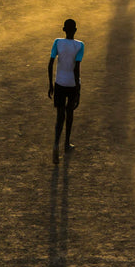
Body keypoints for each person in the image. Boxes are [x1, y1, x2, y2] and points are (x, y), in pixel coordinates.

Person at [47, 18, 84, 164]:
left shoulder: (57, 42)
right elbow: (76, 69)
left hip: (59, 83)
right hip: (72, 84)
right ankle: (66, 143)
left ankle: (56, 144)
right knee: (70, 114)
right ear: (75, 30)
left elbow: (50, 64)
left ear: (63, 30)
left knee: (59, 116)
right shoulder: (80, 45)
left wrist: (51, 85)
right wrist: (78, 91)